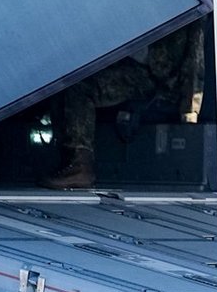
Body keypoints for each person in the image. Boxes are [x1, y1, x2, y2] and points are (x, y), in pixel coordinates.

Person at [41, 22, 204, 190]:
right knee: (63, 81)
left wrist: (189, 113)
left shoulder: (189, 6)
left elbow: (195, 62)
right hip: (123, 60)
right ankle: (67, 159)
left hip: (154, 78)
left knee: (80, 86)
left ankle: (81, 165)